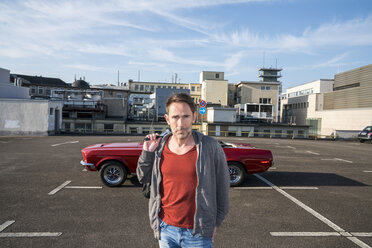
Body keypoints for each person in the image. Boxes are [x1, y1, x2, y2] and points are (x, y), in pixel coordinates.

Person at [137, 93, 230, 248]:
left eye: (185, 116)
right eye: (175, 117)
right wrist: (147, 153)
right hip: (166, 230)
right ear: (167, 119)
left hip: (198, 234)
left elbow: (223, 187)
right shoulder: (158, 147)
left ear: (194, 117)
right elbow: (142, 178)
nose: (181, 123)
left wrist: (215, 223)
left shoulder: (210, 147)